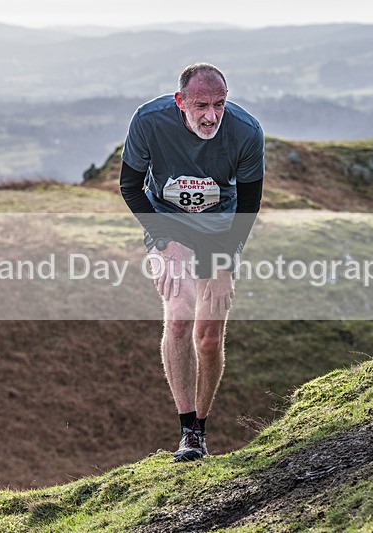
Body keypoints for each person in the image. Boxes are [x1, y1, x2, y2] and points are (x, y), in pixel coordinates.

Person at [119, 63, 265, 462]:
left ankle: (202, 423)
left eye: (219, 104)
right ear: (181, 101)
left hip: (221, 233)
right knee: (180, 316)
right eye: (201, 105)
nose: (211, 116)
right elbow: (130, 186)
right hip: (169, 227)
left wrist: (224, 262)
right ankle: (188, 433)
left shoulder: (246, 131)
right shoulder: (149, 121)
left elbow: (249, 205)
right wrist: (163, 241)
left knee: (209, 337)